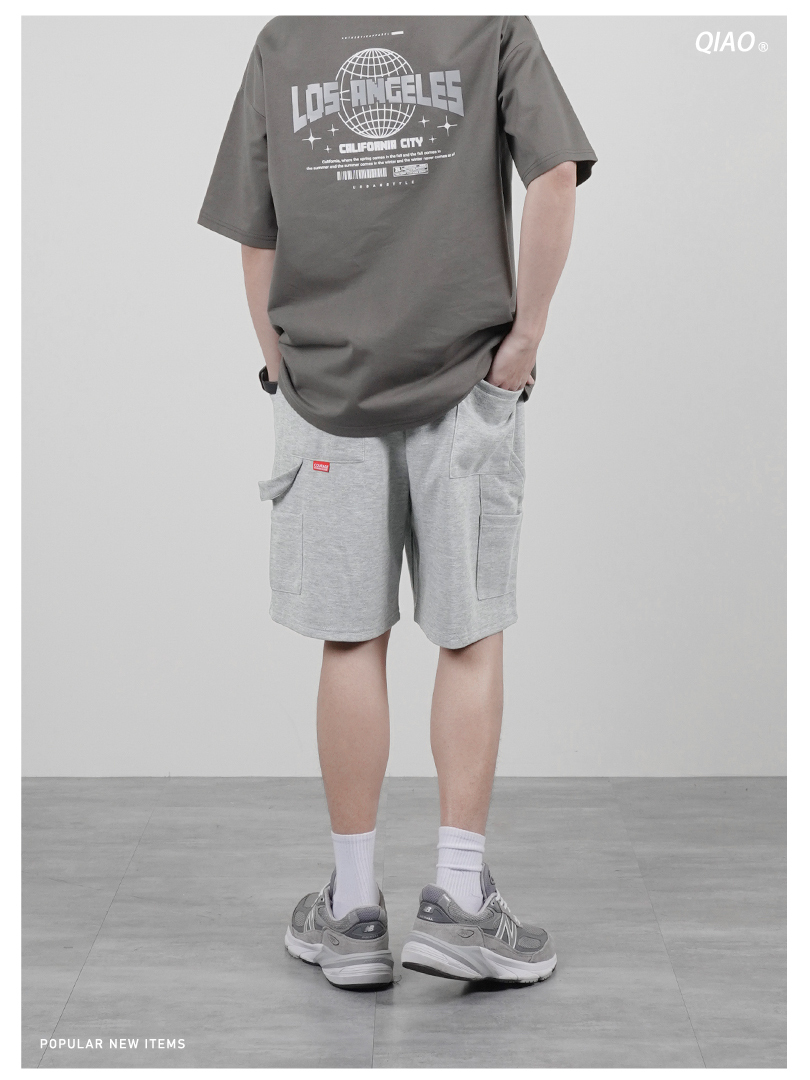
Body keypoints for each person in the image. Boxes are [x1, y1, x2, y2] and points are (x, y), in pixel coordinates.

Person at [198, 15, 596, 990]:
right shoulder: (488, 26)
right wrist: (522, 347)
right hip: (466, 381)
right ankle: (457, 901)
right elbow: (553, 176)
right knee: (469, 637)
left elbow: (256, 237)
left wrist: (281, 372)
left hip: (326, 391)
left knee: (350, 641)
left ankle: (354, 911)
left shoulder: (287, 42)